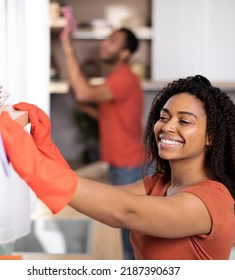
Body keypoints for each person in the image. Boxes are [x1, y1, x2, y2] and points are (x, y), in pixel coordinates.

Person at [0, 75, 235, 260]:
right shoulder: (161, 184)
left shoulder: (209, 201)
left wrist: (24, 152)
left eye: (185, 121)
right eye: (164, 116)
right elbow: (103, 199)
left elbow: (124, 212)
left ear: (211, 136)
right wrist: (43, 147)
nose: (168, 126)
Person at [60, 26, 146, 259]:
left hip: (129, 166)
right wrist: (84, 104)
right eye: (106, 39)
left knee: (129, 238)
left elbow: (85, 93)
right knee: (130, 235)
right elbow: (109, 117)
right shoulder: (118, 79)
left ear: (125, 54)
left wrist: (68, 47)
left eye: (112, 41)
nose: (104, 44)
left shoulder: (123, 78)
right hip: (127, 164)